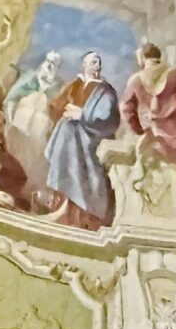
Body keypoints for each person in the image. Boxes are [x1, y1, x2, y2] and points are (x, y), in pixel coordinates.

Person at [43, 49, 120, 229]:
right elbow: (56, 106)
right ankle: (65, 207)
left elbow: (108, 118)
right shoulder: (76, 84)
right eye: (93, 62)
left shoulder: (105, 90)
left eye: (98, 61)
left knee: (68, 133)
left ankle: (81, 215)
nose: (98, 65)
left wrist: (82, 115)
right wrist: (65, 111)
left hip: (92, 139)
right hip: (73, 135)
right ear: (84, 66)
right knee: (65, 129)